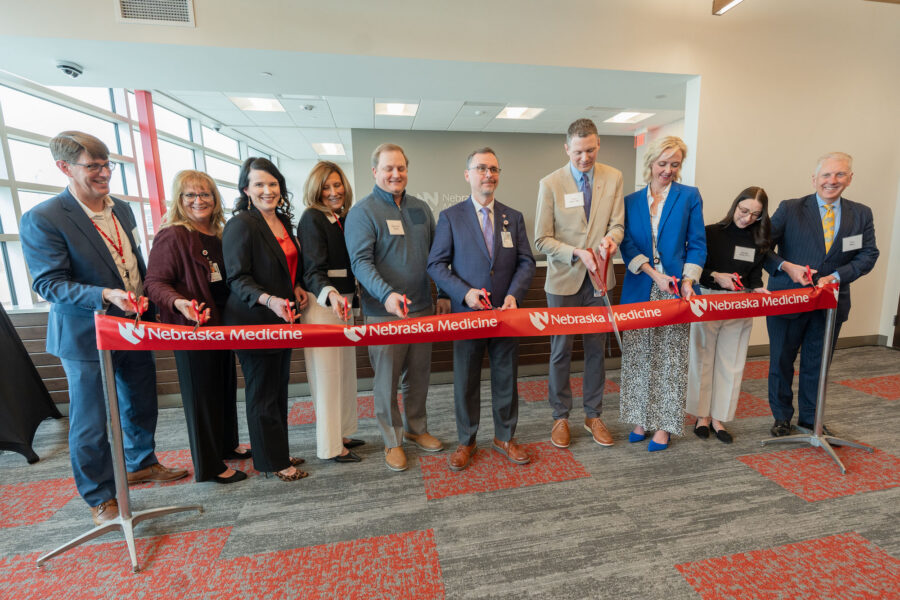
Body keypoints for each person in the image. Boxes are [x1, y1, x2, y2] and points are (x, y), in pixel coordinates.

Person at [20, 131, 186, 526]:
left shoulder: (122, 209)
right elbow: (49, 284)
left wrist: (149, 297)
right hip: (85, 336)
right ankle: (100, 497)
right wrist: (105, 295)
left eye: (107, 164)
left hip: (131, 326)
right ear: (64, 167)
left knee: (140, 402)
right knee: (92, 420)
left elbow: (131, 262)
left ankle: (140, 462)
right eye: (92, 166)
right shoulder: (44, 217)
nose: (104, 173)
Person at [427, 147, 536, 471]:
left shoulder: (512, 217)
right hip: (468, 315)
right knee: (465, 380)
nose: (488, 174)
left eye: (493, 169)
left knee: (506, 378)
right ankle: (466, 441)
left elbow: (526, 262)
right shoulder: (451, 217)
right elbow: (436, 264)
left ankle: (505, 436)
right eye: (481, 168)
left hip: (505, 314)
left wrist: (515, 295)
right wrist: (465, 293)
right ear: (468, 175)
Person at [345, 143, 448, 472]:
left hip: (421, 309)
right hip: (383, 313)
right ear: (375, 172)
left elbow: (437, 257)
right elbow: (360, 264)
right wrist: (387, 294)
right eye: (388, 168)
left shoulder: (420, 208)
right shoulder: (363, 212)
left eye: (400, 168)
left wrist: (442, 292)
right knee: (386, 380)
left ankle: (417, 428)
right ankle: (392, 440)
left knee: (418, 377)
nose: (395, 174)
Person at [145, 170, 249, 483]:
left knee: (223, 388)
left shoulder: (219, 233)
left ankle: (227, 445)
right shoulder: (174, 235)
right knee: (201, 396)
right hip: (192, 330)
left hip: (219, 327)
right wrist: (179, 304)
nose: (198, 201)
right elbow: (154, 282)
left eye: (204, 194)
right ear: (179, 200)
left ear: (215, 199)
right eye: (190, 195)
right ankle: (209, 465)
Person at [764, 152, 878, 437]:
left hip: (831, 303)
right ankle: (781, 418)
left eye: (840, 174)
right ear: (814, 179)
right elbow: (761, 249)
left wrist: (838, 276)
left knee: (818, 363)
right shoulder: (790, 208)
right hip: (788, 298)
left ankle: (810, 418)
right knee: (781, 360)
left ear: (850, 178)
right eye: (826, 175)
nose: (832, 180)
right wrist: (785, 266)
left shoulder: (861, 213)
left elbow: (868, 254)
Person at [534, 118, 624, 449]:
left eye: (589, 150)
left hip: (600, 279)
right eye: (577, 152)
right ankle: (560, 416)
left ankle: (592, 415)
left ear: (598, 145)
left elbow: (617, 225)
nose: (584, 158)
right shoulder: (550, 183)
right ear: (566, 149)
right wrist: (576, 253)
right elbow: (541, 240)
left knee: (596, 351)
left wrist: (610, 242)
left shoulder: (612, 177)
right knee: (561, 351)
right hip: (563, 281)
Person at [222, 157, 310, 481]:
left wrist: (296, 286)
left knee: (278, 388)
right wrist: (270, 299)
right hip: (253, 320)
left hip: (283, 318)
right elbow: (237, 278)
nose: (267, 190)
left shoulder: (282, 222)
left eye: (273, 184)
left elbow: (286, 267)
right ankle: (272, 462)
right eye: (259, 184)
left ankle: (276, 450)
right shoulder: (241, 224)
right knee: (262, 391)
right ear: (246, 189)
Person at [619, 136, 706, 452]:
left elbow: (697, 243)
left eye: (675, 164)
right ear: (650, 164)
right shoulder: (630, 201)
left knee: (670, 359)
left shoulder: (689, 197)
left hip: (676, 289)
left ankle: (665, 426)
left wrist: (687, 279)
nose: (668, 170)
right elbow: (626, 244)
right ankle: (640, 419)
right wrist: (652, 272)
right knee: (639, 356)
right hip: (641, 285)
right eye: (662, 163)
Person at [686, 186, 772, 444]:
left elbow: (754, 274)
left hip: (740, 304)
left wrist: (759, 289)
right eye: (743, 211)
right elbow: (694, 268)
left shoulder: (760, 240)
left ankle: (719, 417)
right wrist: (715, 276)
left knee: (731, 362)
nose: (747, 218)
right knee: (703, 358)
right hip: (709, 300)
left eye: (755, 215)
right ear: (735, 206)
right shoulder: (711, 232)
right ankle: (701, 416)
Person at [297, 161, 364, 464]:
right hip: (323, 303)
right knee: (326, 375)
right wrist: (332, 294)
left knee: (345, 371)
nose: (334, 191)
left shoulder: (342, 217)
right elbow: (312, 270)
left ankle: (344, 432)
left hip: (344, 301)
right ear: (316, 190)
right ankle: (330, 445)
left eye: (337, 185)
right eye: (326, 187)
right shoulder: (312, 219)